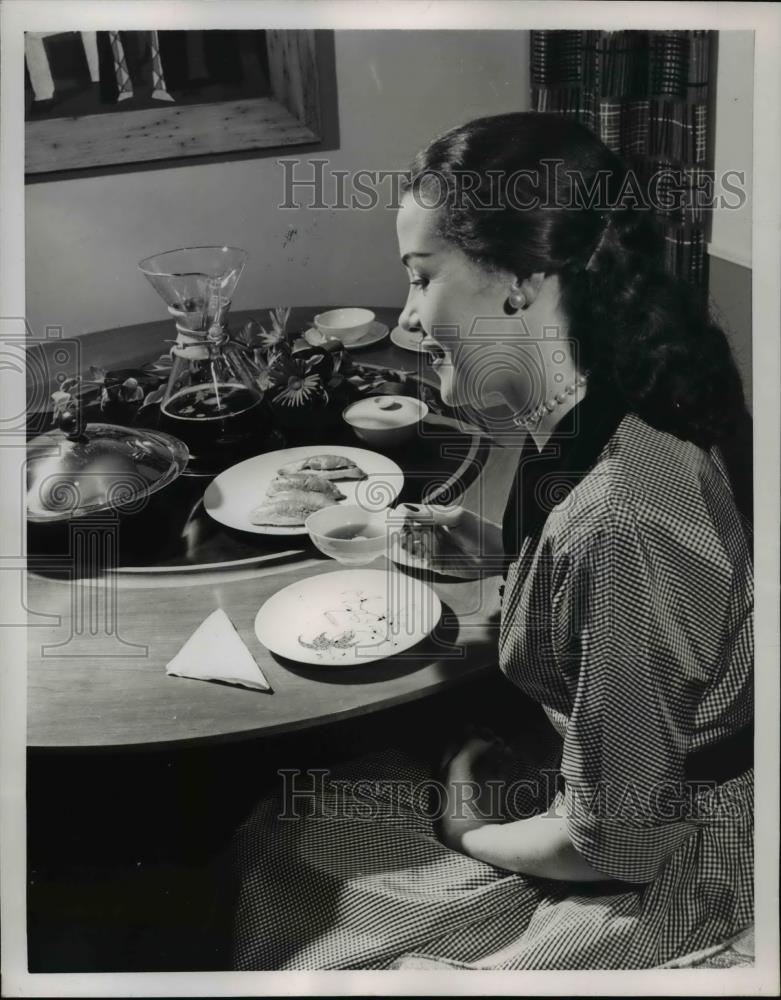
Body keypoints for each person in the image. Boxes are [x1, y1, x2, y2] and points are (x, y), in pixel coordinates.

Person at [231, 113, 753, 970]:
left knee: (303, 915)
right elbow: (612, 590)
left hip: (663, 859)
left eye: (419, 278)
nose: (405, 322)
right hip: (606, 774)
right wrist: (504, 556)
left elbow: (619, 849)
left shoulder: (624, 515)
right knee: (290, 831)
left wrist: (469, 830)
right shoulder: (595, 405)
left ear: (519, 280)